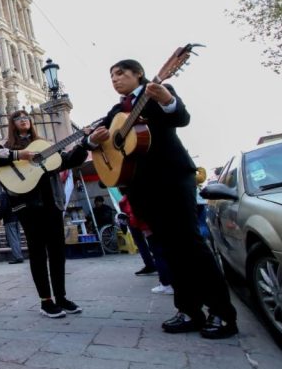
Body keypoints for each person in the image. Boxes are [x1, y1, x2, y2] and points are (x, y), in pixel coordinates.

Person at [88, 58, 237, 339]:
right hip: (140, 186)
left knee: (191, 245)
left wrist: (167, 99)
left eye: (121, 74)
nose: (115, 80)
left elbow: (180, 117)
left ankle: (222, 312)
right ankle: (189, 310)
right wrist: (94, 139)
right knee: (169, 249)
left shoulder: (158, 91)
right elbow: (98, 141)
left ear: (139, 75)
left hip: (171, 178)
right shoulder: (118, 110)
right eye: (112, 77)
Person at [0, 110, 88, 318]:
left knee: (57, 251)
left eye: (26, 117)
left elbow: (68, 160)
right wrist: (21, 155)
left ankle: (61, 297)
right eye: (17, 118)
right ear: (12, 124)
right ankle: (46, 300)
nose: (23, 119)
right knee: (37, 251)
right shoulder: (7, 146)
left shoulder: (45, 145)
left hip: (52, 202)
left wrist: (87, 142)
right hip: (27, 205)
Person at [119, 194, 172, 295]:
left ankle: (166, 283)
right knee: (162, 253)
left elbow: (134, 215)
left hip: (149, 226)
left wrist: (137, 225)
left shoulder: (130, 197)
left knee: (158, 253)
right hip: (159, 223)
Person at [0, 190, 24, 264]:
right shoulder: (13, 191)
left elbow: (3, 206)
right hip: (16, 218)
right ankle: (19, 255)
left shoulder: (4, 194)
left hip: (9, 219)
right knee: (17, 239)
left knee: (13, 239)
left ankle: (18, 257)